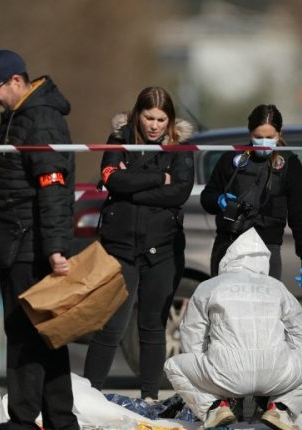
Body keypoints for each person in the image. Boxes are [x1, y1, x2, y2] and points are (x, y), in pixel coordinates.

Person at [0, 49, 78, 430]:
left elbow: (52, 186)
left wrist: (55, 249)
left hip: (30, 247)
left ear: (16, 81)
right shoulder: (20, 114)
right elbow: (24, 180)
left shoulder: (39, 118)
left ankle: (23, 420)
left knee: (26, 334)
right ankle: (61, 420)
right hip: (20, 239)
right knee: (46, 334)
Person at [84, 86, 194, 401]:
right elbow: (111, 179)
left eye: (161, 119)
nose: (154, 125)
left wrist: (128, 186)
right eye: (149, 117)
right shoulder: (118, 141)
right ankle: (90, 395)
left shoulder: (181, 150)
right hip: (120, 248)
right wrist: (160, 179)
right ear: (138, 115)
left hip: (163, 249)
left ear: (170, 120)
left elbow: (179, 193)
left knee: (152, 326)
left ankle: (149, 396)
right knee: (111, 326)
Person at [164, 228, 302, 430]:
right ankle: (280, 408)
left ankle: (215, 407)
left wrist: (208, 369)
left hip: (224, 374)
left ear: (229, 259)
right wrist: (284, 357)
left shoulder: (210, 286)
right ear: (263, 261)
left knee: (173, 365)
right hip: (275, 374)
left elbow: (192, 336)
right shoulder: (276, 287)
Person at [200, 104, 302, 286]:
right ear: (249, 132)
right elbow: (206, 198)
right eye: (258, 137)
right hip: (229, 246)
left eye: (270, 137)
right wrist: (219, 201)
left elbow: (301, 215)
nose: (264, 142)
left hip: (267, 249)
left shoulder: (290, 166)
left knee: (265, 313)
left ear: (280, 133)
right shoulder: (230, 160)